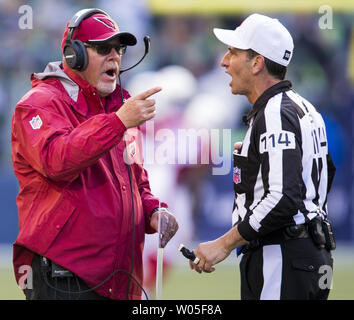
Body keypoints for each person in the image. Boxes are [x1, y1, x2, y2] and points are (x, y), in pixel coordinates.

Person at [11, 8, 178, 300]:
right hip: (65, 279)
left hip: (119, 279)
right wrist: (117, 122)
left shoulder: (119, 109)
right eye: (103, 48)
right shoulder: (39, 104)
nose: (114, 56)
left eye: (119, 49)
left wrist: (153, 211)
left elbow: (136, 181)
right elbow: (57, 160)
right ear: (74, 54)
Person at [189, 13, 336, 300]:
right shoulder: (303, 107)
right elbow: (318, 177)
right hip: (305, 255)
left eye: (233, 52)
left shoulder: (275, 113)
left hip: (282, 256)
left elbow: (283, 199)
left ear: (257, 63)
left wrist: (224, 244)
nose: (224, 61)